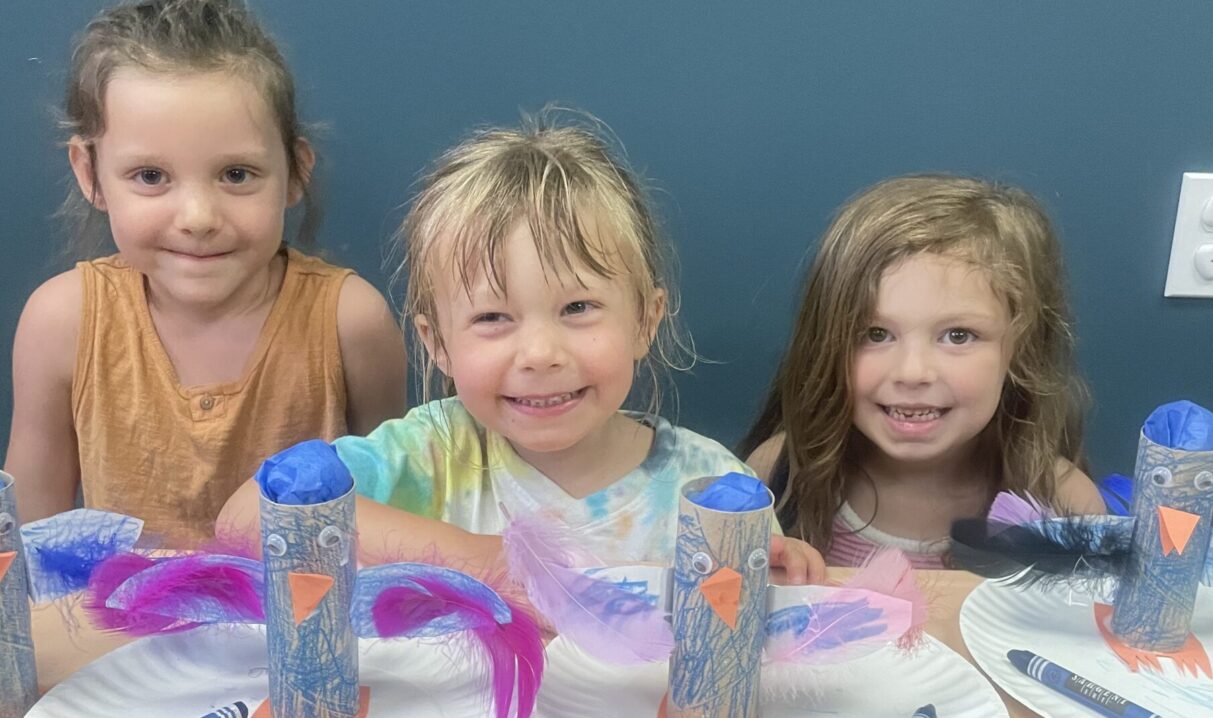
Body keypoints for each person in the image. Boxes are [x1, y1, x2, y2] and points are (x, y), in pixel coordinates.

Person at [218, 116, 824, 583]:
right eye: (492, 317)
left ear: (645, 320)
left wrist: (776, 576)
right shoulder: (432, 454)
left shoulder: (706, 484)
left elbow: (744, 632)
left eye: (578, 308)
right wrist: (489, 564)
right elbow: (245, 519)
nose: (538, 353)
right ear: (437, 345)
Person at [5, 0, 406, 543]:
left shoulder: (350, 323)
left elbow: (394, 524)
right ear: (90, 173)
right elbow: (28, 547)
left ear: (295, 172)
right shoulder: (61, 324)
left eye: (236, 174)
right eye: (150, 176)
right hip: (120, 629)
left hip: (301, 625)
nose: (198, 218)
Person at [741, 174, 1104, 568]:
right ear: (827, 342)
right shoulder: (776, 475)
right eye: (875, 333)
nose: (913, 372)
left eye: (958, 335)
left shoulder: (1067, 504)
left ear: (1020, 349)